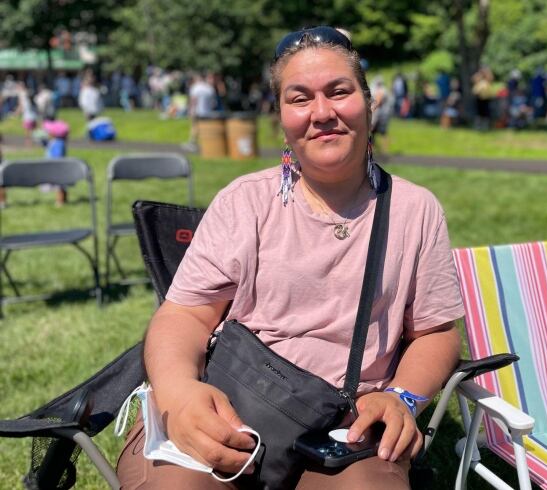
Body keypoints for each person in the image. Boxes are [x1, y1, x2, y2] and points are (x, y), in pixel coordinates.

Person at [116, 26, 464, 490]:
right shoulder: (245, 202)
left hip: (345, 424)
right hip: (229, 401)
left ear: (369, 102)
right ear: (282, 117)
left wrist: (402, 396)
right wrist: (179, 396)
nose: (322, 113)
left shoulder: (414, 210)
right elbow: (184, 316)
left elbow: (436, 334)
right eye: (299, 99)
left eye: (339, 91)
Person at [183, 73, 218, 151]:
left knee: (195, 127)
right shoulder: (210, 88)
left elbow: (193, 100)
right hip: (207, 112)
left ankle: (193, 143)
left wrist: (191, 110)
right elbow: (213, 103)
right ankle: (205, 143)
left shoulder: (196, 87)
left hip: (198, 111)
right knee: (203, 128)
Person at [369, 76, 393, 155]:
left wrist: (371, 109)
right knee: (373, 132)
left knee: (383, 132)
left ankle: (384, 151)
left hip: (383, 115)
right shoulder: (379, 89)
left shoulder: (382, 90)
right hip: (379, 114)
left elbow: (378, 101)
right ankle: (373, 149)